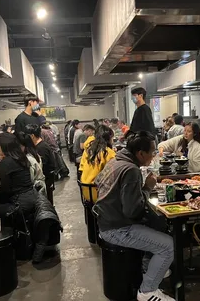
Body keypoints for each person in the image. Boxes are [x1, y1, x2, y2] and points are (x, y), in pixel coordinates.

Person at [94, 131, 174, 301]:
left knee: (157, 223)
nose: (154, 155)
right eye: (152, 152)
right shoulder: (131, 170)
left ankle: (149, 268)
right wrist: (147, 188)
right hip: (117, 229)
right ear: (140, 153)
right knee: (168, 246)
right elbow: (132, 211)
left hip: (105, 221)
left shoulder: (115, 161)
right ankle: (147, 291)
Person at [0, 133, 36, 220]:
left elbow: (5, 190)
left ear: (2, 147)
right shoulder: (21, 157)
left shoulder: (5, 163)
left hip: (19, 204)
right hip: (32, 198)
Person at [79, 125, 116, 202]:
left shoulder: (89, 150)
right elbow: (115, 173)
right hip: (99, 193)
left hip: (86, 191)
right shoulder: (109, 153)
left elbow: (81, 167)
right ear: (108, 138)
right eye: (112, 138)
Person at [25, 124, 56, 205]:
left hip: (45, 181)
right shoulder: (40, 145)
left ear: (32, 136)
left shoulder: (41, 148)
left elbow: (42, 168)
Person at [16, 132, 46, 196]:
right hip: (40, 186)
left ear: (23, 146)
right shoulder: (34, 154)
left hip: (36, 190)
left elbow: (30, 180)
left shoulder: (28, 159)